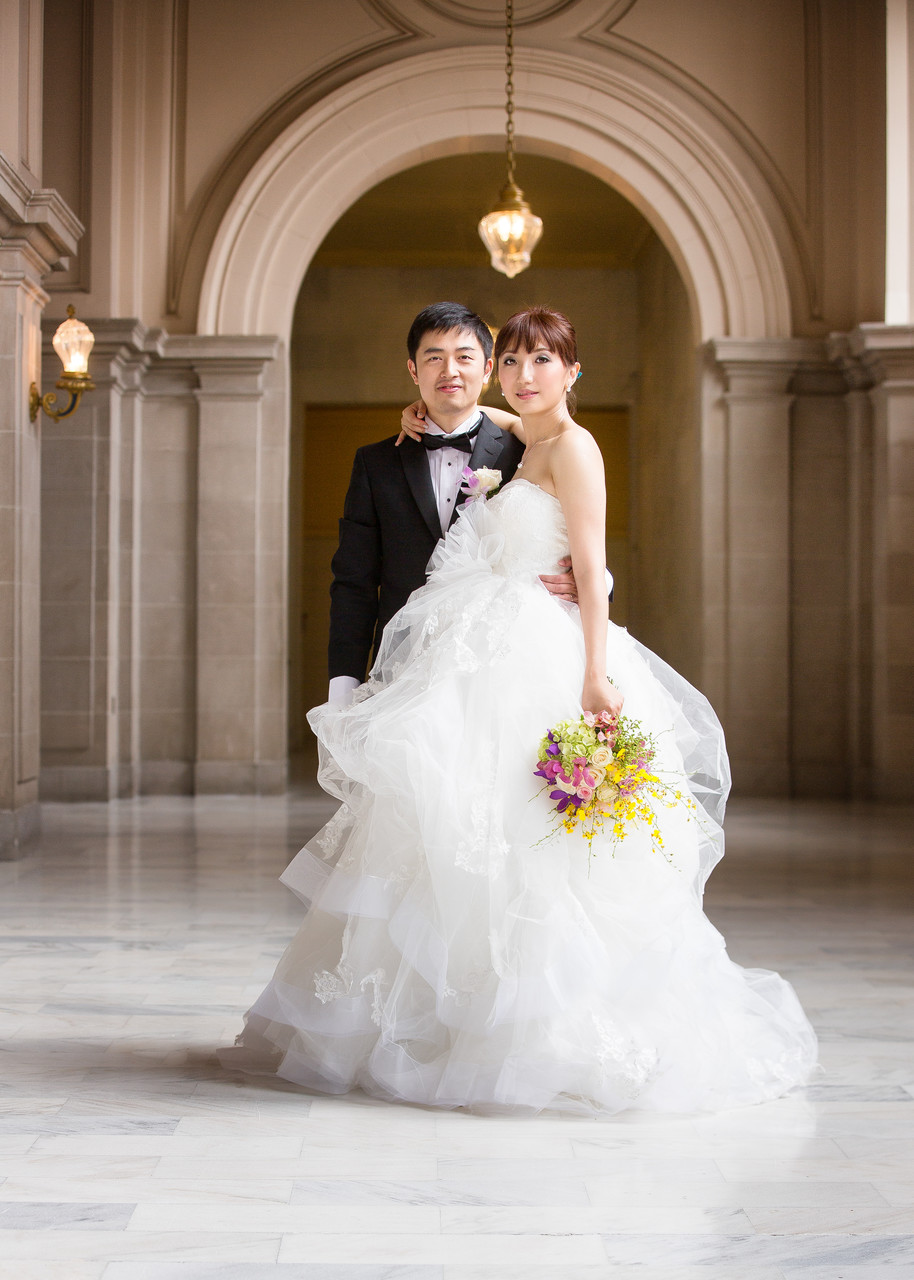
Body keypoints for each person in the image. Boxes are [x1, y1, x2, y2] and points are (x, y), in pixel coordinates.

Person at [226, 307, 817, 1115]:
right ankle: (436, 1017)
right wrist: (437, 414)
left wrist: (597, 671)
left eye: (538, 360)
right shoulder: (516, 434)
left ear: (573, 370)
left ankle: (536, 1028)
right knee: (445, 839)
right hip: (460, 661)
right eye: (512, 361)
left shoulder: (567, 446)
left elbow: (593, 558)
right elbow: (472, 430)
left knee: (531, 847)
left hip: (536, 658)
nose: (521, 373)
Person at [327, 300, 594, 708]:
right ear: (414, 370)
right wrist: (342, 691)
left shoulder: (529, 449)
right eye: (434, 359)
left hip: (504, 669)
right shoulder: (375, 463)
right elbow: (353, 584)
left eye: (464, 358)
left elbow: (577, 542)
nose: (449, 371)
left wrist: (594, 582)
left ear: (486, 369)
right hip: (401, 671)